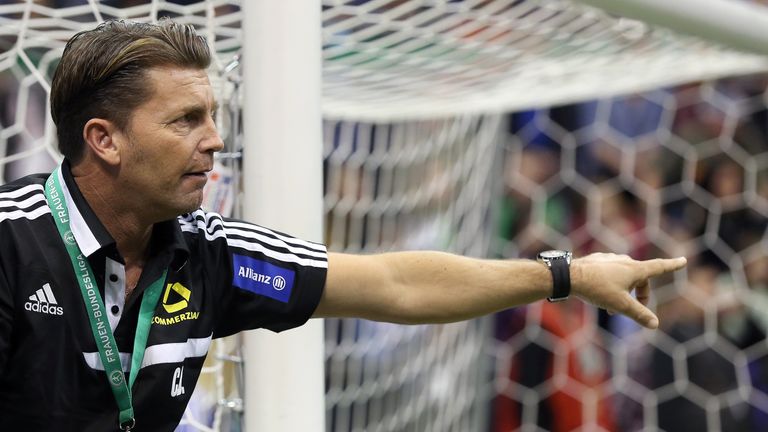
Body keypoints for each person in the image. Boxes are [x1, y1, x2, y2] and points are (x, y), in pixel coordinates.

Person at [0, 19, 687, 431]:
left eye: (214, 116)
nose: (215, 141)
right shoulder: (11, 244)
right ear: (104, 139)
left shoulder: (213, 254)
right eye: (186, 120)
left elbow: (394, 284)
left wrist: (567, 274)